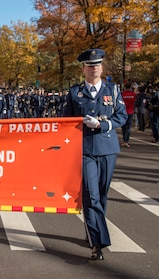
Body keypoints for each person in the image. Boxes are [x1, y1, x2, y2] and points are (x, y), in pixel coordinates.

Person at [62, 48, 127, 260]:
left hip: (107, 149)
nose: (94, 69)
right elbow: (65, 122)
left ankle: (93, 230)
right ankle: (98, 243)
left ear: (102, 67)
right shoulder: (74, 93)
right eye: (90, 66)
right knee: (91, 196)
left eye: (97, 65)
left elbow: (122, 115)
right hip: (85, 150)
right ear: (83, 69)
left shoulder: (113, 90)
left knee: (102, 195)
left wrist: (103, 124)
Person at [121, 82, 137, 147]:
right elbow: (135, 102)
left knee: (123, 126)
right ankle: (126, 141)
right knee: (128, 127)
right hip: (130, 111)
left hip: (123, 112)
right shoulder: (133, 94)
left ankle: (124, 140)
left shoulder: (122, 94)